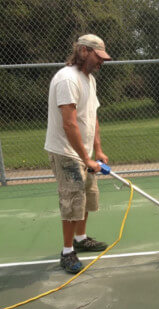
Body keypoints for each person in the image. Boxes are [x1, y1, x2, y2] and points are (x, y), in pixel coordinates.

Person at [44, 34, 112, 274]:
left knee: (86, 197)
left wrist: (98, 150)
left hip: (85, 153)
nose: (101, 62)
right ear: (83, 51)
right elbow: (69, 124)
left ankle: (81, 239)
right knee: (72, 201)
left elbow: (91, 117)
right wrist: (85, 158)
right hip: (66, 152)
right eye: (98, 56)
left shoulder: (89, 79)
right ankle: (67, 252)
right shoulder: (67, 79)